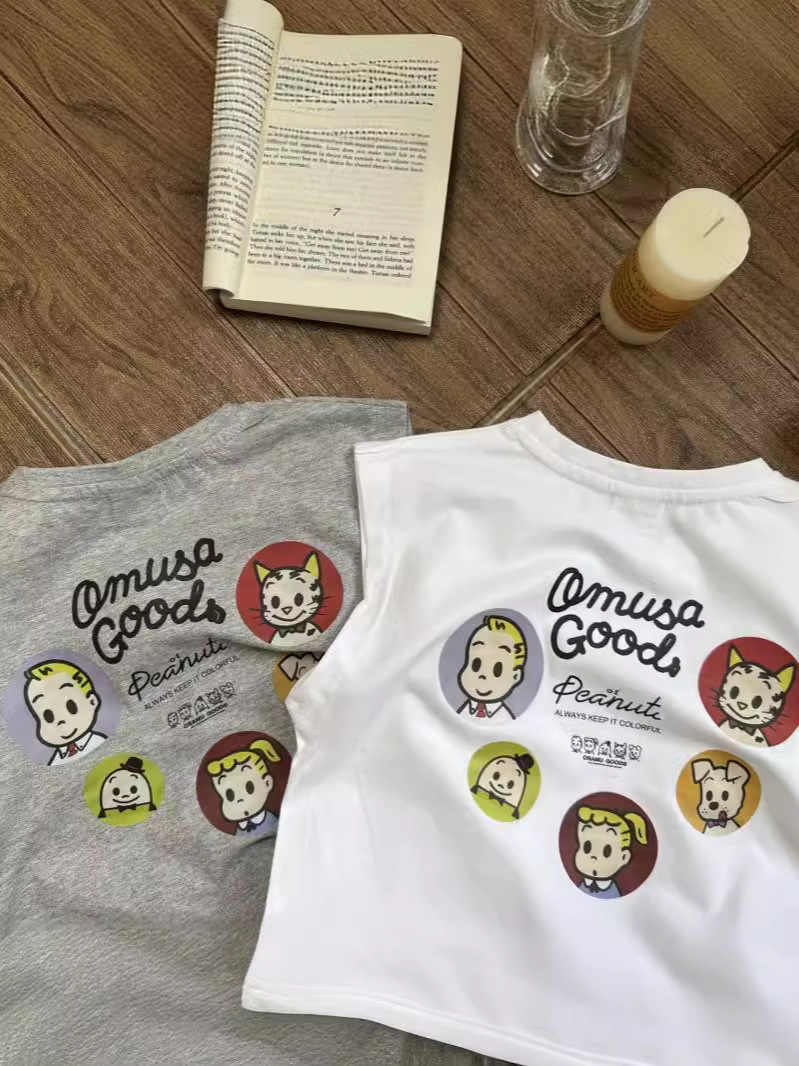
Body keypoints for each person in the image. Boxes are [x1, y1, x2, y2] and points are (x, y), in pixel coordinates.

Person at [24, 659, 107, 765]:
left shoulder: (100, 740)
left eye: (71, 707)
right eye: (48, 717)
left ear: (92, 701)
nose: (60, 721)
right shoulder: (55, 760)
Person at [456, 615, 527, 721]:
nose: (483, 676)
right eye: (476, 665)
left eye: (497, 670)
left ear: (515, 676)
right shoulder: (462, 712)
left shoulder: (505, 718)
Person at [207, 738, 281, 838]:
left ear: (267, 783)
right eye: (229, 796)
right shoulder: (239, 830)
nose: (239, 799)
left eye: (249, 788)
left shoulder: (275, 819)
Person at [574, 805, 649, 899]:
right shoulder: (580, 886)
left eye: (607, 852)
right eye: (586, 847)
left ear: (624, 857)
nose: (594, 857)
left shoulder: (614, 892)